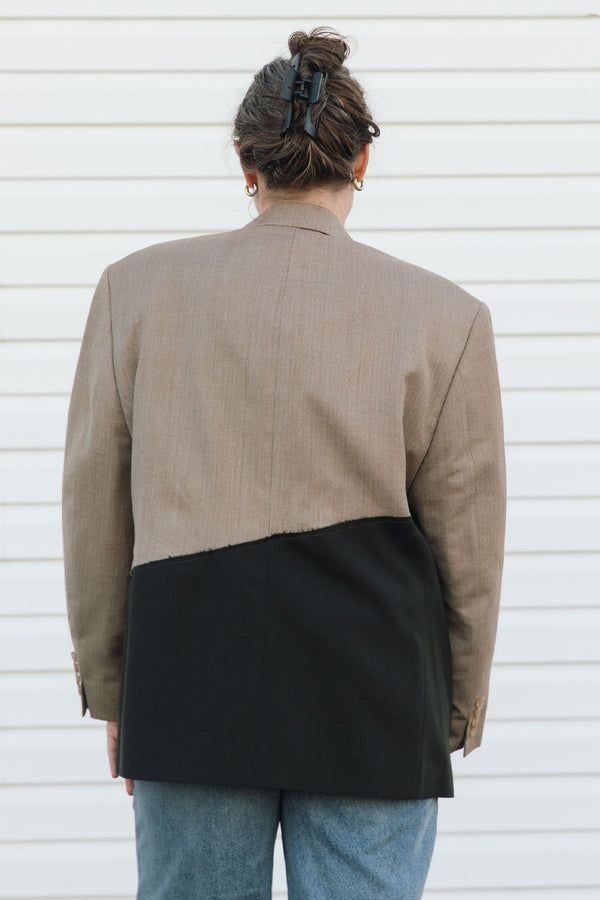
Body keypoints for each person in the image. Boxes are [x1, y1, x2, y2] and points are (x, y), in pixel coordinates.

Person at [62, 26, 506, 900]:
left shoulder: (134, 292)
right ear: (362, 161)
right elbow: (469, 540)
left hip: (188, 676)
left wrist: (116, 690)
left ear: (245, 159)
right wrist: (456, 705)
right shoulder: (445, 317)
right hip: (376, 695)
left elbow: (93, 509)